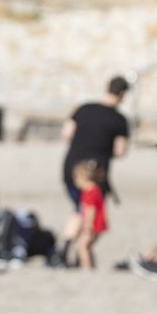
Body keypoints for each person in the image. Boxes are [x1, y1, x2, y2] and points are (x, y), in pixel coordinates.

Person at [60, 76, 130, 257]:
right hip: (95, 171)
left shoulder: (84, 108)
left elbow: (66, 134)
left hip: (71, 166)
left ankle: (65, 248)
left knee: (79, 207)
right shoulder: (120, 120)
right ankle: (79, 250)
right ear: (123, 94)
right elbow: (120, 151)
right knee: (90, 211)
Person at [66, 160, 108, 269]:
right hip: (98, 224)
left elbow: (90, 211)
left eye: (76, 179)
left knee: (82, 247)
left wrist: (87, 225)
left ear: (83, 178)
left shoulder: (89, 192)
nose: (76, 183)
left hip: (93, 225)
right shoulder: (96, 189)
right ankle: (92, 266)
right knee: (87, 247)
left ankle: (87, 267)